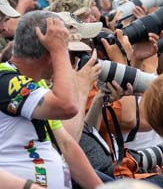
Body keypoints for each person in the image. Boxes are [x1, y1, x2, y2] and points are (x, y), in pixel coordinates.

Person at [0, 10, 102, 188]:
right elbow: (67, 107)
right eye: (68, 54)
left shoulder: (36, 85)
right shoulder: (4, 80)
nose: (70, 62)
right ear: (48, 52)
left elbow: (67, 144)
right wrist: (60, 49)